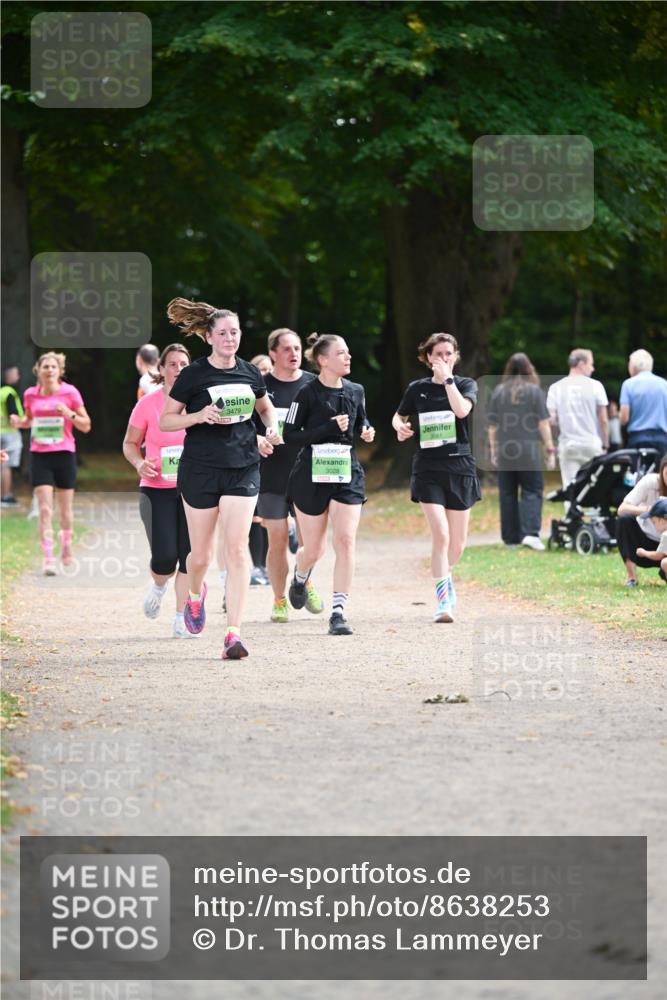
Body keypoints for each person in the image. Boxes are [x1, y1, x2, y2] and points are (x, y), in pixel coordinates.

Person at [159, 298, 278, 660]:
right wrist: (197, 416)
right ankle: (195, 595)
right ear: (209, 337)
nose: (230, 338)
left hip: (243, 466)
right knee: (200, 556)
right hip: (200, 470)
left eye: (235, 332)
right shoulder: (193, 375)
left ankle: (233, 633)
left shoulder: (250, 372)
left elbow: (263, 406)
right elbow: (167, 420)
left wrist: (271, 426)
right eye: (223, 333)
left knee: (237, 548)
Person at [283, 333, 374, 636]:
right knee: (314, 549)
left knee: (346, 540)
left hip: (346, 472)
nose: (348, 358)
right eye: (341, 353)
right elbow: (291, 435)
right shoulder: (307, 394)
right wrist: (327, 427)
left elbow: (362, 421)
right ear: (323, 360)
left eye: (348, 353)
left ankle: (338, 612)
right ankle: (300, 577)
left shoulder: (356, 390)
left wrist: (366, 430)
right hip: (311, 475)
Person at [392, 332, 481, 623]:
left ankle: (444, 576)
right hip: (428, 468)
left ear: (455, 357)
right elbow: (399, 415)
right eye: (437, 353)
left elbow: (462, 410)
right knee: (440, 535)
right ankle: (443, 602)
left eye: (448, 354)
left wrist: (448, 381)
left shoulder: (466, 384)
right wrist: (399, 427)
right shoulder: (417, 389)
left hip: (459, 467)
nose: (443, 358)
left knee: (457, 544)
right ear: (427, 357)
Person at [123, 343, 195, 637]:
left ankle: (181, 617)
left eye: (184, 365)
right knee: (165, 558)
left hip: (195, 491)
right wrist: (139, 463)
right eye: (173, 364)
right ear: (162, 369)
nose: (179, 370)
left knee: (190, 556)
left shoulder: (200, 403)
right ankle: (159, 584)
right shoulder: (148, 404)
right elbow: (129, 444)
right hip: (156, 489)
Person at [256, 328, 323, 623]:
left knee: (312, 542)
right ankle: (279, 599)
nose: (294, 354)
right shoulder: (259, 386)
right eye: (286, 349)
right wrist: (257, 440)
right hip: (270, 476)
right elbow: (244, 425)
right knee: (278, 540)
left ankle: (303, 579)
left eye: (297, 348)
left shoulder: (312, 384)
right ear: (273, 353)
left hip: (307, 475)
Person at [11, 352, 91, 574]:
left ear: (60, 371)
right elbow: (29, 420)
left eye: (53, 367)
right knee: (45, 509)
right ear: (38, 370)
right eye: (45, 366)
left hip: (64, 454)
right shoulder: (30, 395)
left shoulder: (70, 393)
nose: (49, 370)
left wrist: (68, 413)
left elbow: (86, 425)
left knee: (65, 510)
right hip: (40, 456)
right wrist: (20, 422)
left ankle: (66, 547)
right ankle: (48, 557)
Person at [487, 352, 556, 550]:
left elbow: (492, 426)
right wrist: (550, 448)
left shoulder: (499, 391)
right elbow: (543, 423)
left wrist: (493, 451)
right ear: (529, 369)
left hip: (505, 449)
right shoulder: (534, 392)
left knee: (507, 492)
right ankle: (530, 533)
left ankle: (511, 538)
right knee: (533, 490)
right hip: (528, 449)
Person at [546, 348, 609, 492]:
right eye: (591, 364)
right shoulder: (596, 386)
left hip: (568, 445)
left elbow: (552, 420)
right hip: (591, 444)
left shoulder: (556, 387)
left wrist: (557, 439)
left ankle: (571, 513)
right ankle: (594, 513)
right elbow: (603, 419)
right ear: (581, 364)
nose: (593, 368)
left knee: (570, 486)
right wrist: (605, 445)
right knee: (594, 487)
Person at [616, 454, 667, 587]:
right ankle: (632, 577)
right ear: (662, 472)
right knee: (624, 520)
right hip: (645, 541)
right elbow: (622, 509)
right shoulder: (650, 482)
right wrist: (648, 510)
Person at [619, 349, 667, 455]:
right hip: (662, 439)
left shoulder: (628, 384)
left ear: (633, 366)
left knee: (637, 471)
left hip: (638, 438)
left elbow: (624, 418)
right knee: (660, 471)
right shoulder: (664, 384)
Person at [1, 364, 24, 506]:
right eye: (16, 374)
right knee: (6, 465)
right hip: (9, 434)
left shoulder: (1, 391)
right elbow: (13, 415)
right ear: (9, 376)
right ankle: (6, 496)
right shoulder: (10, 392)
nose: (18, 376)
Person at [635, 498, 667, 583]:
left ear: (662, 520)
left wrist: (644, 552)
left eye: (654, 522)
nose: (654, 525)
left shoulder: (665, 535)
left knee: (665, 563)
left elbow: (658, 556)